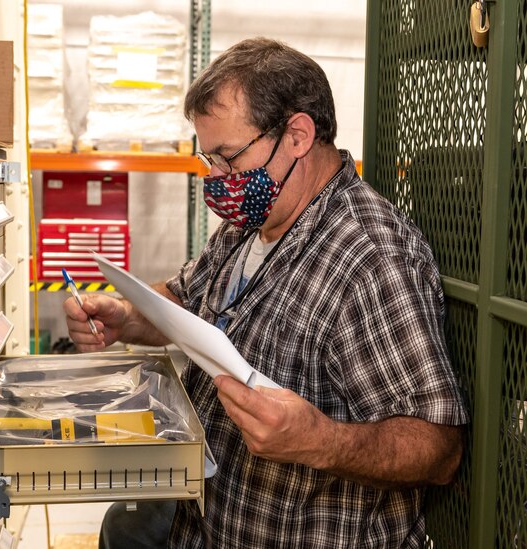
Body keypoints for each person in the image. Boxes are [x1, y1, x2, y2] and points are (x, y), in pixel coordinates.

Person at [64, 38, 468, 548]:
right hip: (209, 519)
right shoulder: (253, 222)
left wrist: (321, 442)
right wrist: (123, 314)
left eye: (229, 158)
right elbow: (187, 300)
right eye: (209, 160)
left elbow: (438, 449)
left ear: (298, 135)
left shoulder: (370, 257)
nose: (218, 180)